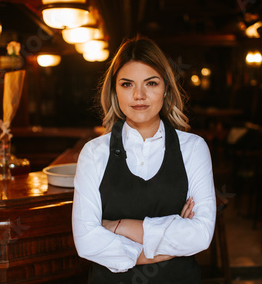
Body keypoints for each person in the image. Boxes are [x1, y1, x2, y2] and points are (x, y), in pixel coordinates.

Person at [72, 36, 216, 283]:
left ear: (166, 88)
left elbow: (201, 235)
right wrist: (168, 239)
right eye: (127, 84)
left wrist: (118, 226)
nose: (139, 95)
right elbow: (86, 242)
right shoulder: (94, 152)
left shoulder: (193, 148)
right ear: (115, 91)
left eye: (151, 83)